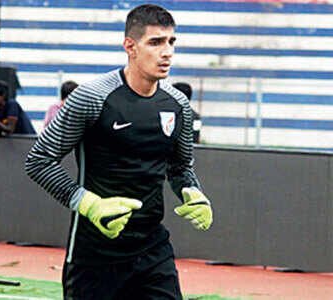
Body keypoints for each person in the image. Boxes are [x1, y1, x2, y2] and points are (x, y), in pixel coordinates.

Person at [25, 4, 213, 300]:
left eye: (171, 42)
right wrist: (89, 204)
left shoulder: (178, 105)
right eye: (155, 42)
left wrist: (192, 191)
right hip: (94, 256)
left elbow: (180, 167)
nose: (167, 52)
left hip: (153, 252)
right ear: (130, 46)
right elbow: (39, 161)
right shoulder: (92, 97)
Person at [0, 80, 36, 145]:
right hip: (17, 144)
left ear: (3, 95)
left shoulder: (12, 105)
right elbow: (1, 126)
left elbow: (10, 129)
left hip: (28, 141)